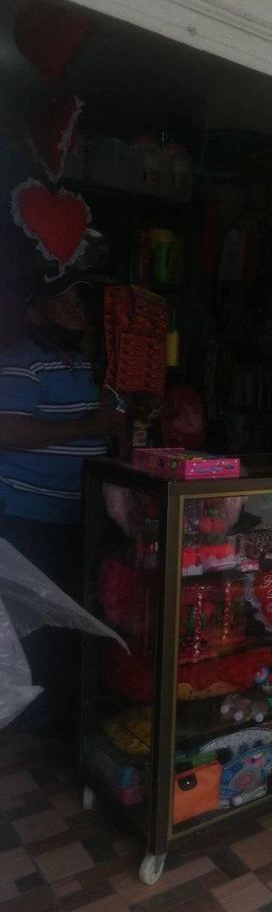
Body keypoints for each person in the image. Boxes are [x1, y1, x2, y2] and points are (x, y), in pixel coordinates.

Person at [0, 272, 124, 729]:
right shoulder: (20, 360)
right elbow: (7, 430)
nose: (76, 309)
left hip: (77, 513)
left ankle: (62, 711)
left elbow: (91, 422)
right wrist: (86, 427)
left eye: (78, 301)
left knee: (71, 614)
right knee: (38, 619)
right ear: (36, 312)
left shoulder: (78, 361)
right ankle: (37, 719)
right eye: (63, 301)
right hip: (30, 516)